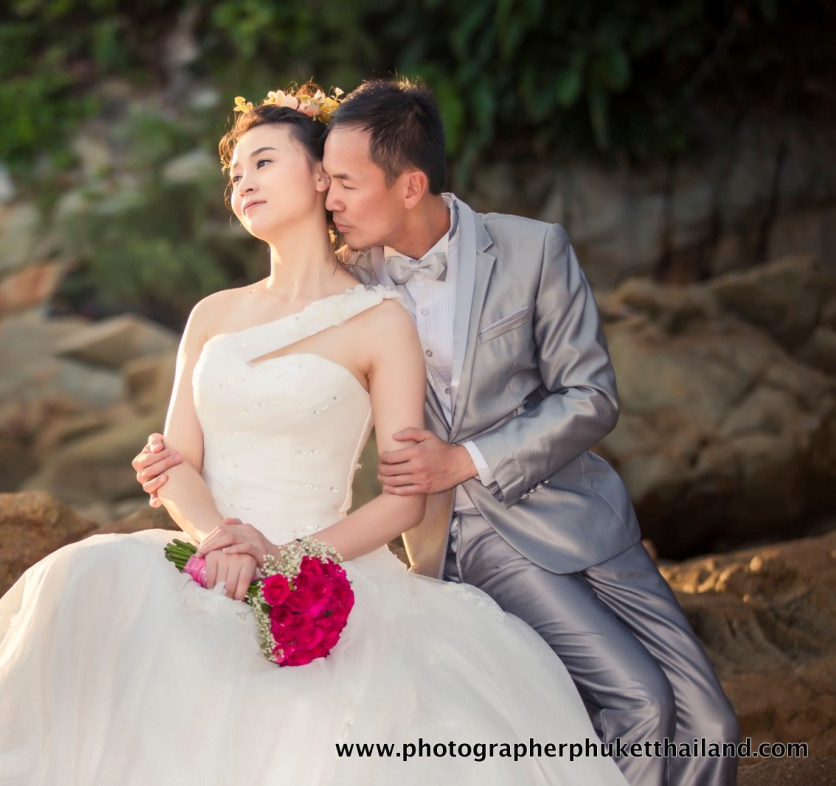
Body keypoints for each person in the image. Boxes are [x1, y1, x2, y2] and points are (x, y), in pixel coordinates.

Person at [0, 85, 627, 785]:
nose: (239, 181)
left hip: (315, 559)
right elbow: (175, 462)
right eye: (233, 169)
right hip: (212, 554)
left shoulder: (378, 320)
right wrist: (220, 544)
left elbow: (404, 496)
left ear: (323, 178)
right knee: (80, 575)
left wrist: (289, 559)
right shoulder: (212, 314)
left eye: (262, 161)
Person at [135, 79, 740, 786]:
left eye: (344, 183)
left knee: (715, 726)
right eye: (324, 178)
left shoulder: (533, 250)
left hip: (571, 507)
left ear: (411, 185)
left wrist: (465, 458)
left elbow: (592, 394)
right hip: (463, 536)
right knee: (641, 700)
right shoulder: (351, 286)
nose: (330, 196)